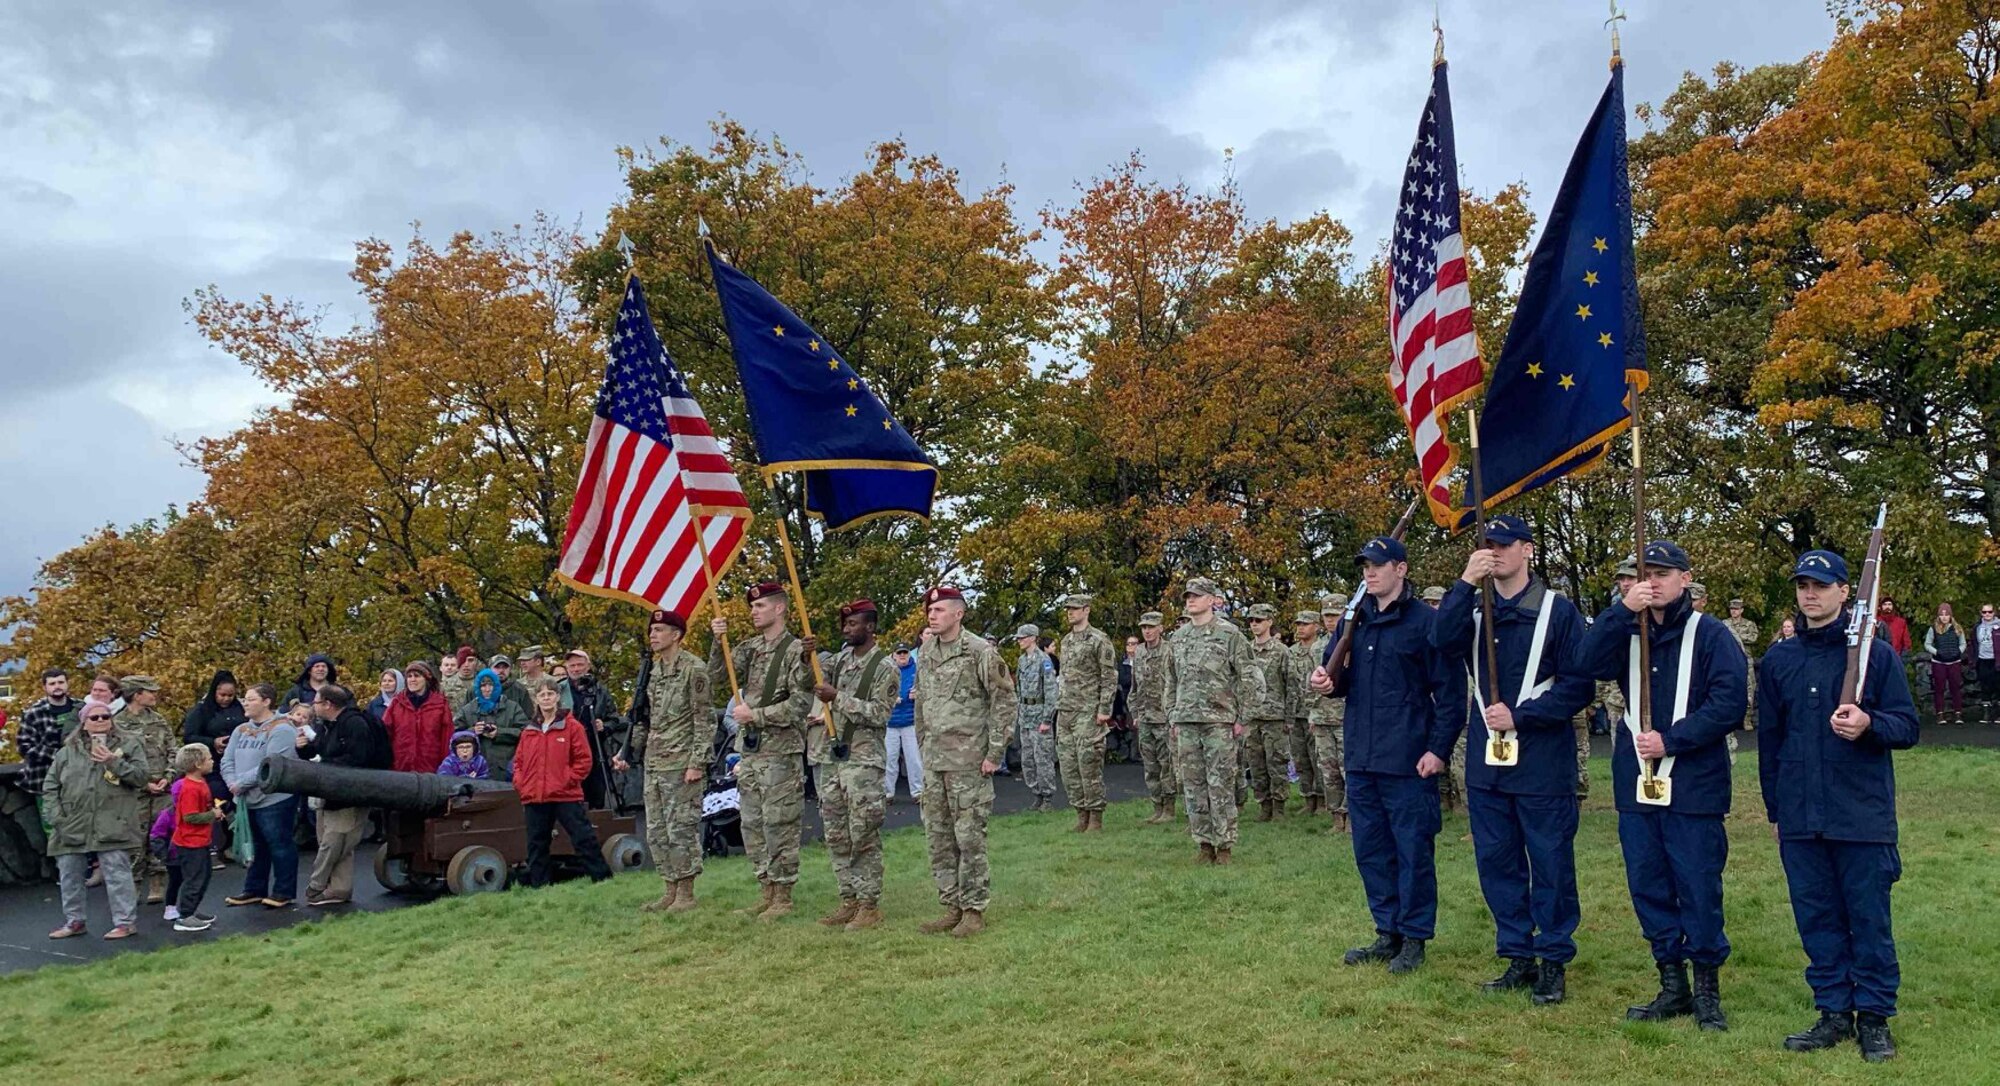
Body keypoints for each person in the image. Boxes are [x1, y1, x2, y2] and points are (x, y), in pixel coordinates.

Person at [1575, 540, 1749, 1032]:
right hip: (1638, 784)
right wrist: (1618, 614)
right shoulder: (1627, 631)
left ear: (1686, 580)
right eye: (1643, 574)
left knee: (1697, 886)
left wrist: (1672, 741)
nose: (1652, 583)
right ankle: (1672, 983)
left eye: (1663, 574)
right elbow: (1584, 664)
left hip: (1694, 784)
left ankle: (1708, 990)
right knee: (1648, 884)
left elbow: (1729, 705)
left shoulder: (1713, 635)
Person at [1759, 549, 1918, 1063]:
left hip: (1861, 815)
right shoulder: (1780, 658)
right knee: (1817, 918)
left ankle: (1873, 1018)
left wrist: (1869, 724)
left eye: (1821, 585)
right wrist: (1776, 812)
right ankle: (1832, 1011)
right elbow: (1770, 742)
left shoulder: (1875, 655)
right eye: (1803, 585)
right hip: (1801, 814)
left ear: (1845, 591)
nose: (1810, 594)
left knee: (1868, 919)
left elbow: (1907, 726)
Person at [1431, 515, 1595, 1004]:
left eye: (1503, 545)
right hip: (1488, 764)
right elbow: (1439, 642)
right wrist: (1464, 583)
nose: (1494, 553)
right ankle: (1517, 955)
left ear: (1527, 549)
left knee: (1550, 863)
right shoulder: (1473, 607)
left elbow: (1578, 686)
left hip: (1542, 761)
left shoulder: (1558, 611)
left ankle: (1553, 959)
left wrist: (1523, 716)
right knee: (1497, 863)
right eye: (1487, 546)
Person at [1311, 538, 1466, 975]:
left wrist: (1438, 749)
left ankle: (1415, 937)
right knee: (1372, 851)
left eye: (1378, 566)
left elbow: (1451, 694)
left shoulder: (1425, 623)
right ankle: (1387, 932)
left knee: (1413, 851)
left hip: (1409, 758)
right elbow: (1337, 679)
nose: (1370, 573)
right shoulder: (1354, 622)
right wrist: (1326, 680)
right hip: (1361, 757)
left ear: (1401, 568)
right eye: (1365, 567)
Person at [910, 585, 1013, 937]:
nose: (932, 615)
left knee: (969, 837)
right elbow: (922, 702)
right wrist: (923, 744)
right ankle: (951, 905)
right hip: (935, 760)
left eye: (939, 610)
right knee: (938, 836)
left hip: (969, 761)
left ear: (958, 613)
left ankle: (973, 909)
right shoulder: (926, 652)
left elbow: (1004, 701)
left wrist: (995, 753)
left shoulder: (979, 651)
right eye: (930, 611)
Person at [710, 581, 813, 920]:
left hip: (780, 753)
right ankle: (765, 890)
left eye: (760, 606)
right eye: (752, 606)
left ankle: (783, 895)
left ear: (780, 608)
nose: (753, 611)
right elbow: (715, 677)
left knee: (779, 823)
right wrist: (717, 640)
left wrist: (756, 715)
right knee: (752, 823)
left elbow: (800, 704)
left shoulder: (797, 650)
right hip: (751, 753)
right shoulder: (751, 647)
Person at [806, 600, 898, 931]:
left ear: (870, 627)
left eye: (853, 624)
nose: (847, 629)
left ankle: (869, 904)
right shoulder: (842, 660)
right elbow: (813, 681)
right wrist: (808, 658)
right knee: (836, 833)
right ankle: (849, 898)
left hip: (863, 760)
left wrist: (837, 699)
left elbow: (879, 714)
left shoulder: (885, 667)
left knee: (863, 832)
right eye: (845, 624)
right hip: (833, 758)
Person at [617, 610, 709, 912]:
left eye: (659, 629)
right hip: (655, 762)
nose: (653, 635)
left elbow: (705, 720)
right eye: (651, 630)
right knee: (656, 830)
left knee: (680, 828)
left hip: (682, 763)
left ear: (676, 635)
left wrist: (698, 762)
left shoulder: (693, 669)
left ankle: (686, 892)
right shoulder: (652, 672)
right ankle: (669, 887)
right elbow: (645, 719)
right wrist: (628, 752)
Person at [1166, 577, 1259, 865]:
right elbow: (1170, 679)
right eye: (1187, 596)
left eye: (1197, 595)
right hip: (1186, 721)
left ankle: (1225, 845)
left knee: (1220, 785)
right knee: (1193, 786)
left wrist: (1243, 717)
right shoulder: (1178, 638)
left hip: (1219, 721)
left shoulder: (1230, 635)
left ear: (1212, 600)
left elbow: (1250, 678)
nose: (1190, 600)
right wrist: (1172, 714)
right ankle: (1204, 844)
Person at [43, 702, 148, 940]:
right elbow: (50, 786)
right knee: (69, 874)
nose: (100, 721)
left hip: (113, 820)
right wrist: (57, 818)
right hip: (72, 822)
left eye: (105, 716)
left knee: (117, 872)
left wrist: (113, 761)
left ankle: (125, 923)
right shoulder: (67, 751)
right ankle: (74, 921)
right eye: (94, 717)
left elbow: (141, 777)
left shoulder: (129, 744)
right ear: (83, 723)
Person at [514, 677, 611, 889]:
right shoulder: (529, 730)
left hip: (565, 794)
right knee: (536, 844)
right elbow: (519, 762)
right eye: (542, 695)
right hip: (534, 795)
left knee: (583, 837)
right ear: (536, 699)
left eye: (550, 694)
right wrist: (522, 783)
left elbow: (584, 760)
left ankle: (602, 879)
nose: (546, 698)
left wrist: (567, 780)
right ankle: (540, 886)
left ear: (558, 697)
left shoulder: (572, 726)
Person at [220, 683, 301, 909]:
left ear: (266, 701)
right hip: (246, 798)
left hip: (274, 798)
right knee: (256, 846)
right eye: (245, 699)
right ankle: (254, 889)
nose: (245, 703)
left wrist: (241, 784)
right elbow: (227, 760)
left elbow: (271, 765)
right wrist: (231, 783)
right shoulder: (241, 730)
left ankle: (284, 891)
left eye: (251, 699)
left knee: (279, 843)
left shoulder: (282, 729)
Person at [298, 684, 375, 907]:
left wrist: (325, 763)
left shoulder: (354, 724)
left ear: (328, 704)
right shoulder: (328, 725)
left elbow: (359, 759)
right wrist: (305, 749)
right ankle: (339, 889)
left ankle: (316, 886)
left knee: (334, 843)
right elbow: (320, 750)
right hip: (329, 792)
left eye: (316, 702)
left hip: (348, 794)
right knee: (332, 842)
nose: (314, 706)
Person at [1054, 593, 1116, 832]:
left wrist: (1104, 709)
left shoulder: (1099, 639)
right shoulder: (1067, 640)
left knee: (1088, 763)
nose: (1070, 612)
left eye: (1075, 608)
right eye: (1068, 608)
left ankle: (1095, 816)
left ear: (1087, 610)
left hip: (1088, 711)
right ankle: (1080, 813)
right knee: (1069, 765)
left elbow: (1109, 676)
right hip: (1067, 710)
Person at [113, 676, 178, 905]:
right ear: (137, 694)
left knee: (160, 835)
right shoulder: (117, 723)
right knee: (135, 839)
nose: (154, 695)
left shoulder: (158, 720)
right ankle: (133, 885)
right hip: (134, 792)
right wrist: (142, 783)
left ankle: (158, 881)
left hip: (162, 789)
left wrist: (168, 776)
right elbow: (115, 760)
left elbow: (173, 750)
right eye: (149, 691)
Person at [180, 669, 245, 864]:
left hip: (237, 762)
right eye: (222, 695)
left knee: (238, 799)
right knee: (219, 798)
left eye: (230, 695)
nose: (226, 699)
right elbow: (188, 737)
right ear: (214, 692)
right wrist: (213, 741)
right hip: (212, 765)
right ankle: (218, 844)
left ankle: (234, 843)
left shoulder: (240, 709)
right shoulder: (201, 711)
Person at [1244, 604, 1294, 822]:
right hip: (1253, 717)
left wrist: (1289, 718)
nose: (1255, 624)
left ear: (1269, 622)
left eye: (1259, 620)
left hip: (1275, 717)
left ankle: (1279, 808)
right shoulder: (1245, 650)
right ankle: (1264, 805)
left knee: (1277, 763)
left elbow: (1291, 686)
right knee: (1256, 765)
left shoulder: (1281, 651)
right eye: (1252, 621)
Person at [17, 668, 82, 834]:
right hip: (44, 778)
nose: (57, 686)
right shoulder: (33, 712)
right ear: (45, 687)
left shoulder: (81, 709)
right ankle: (57, 859)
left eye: (61, 682)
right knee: (52, 827)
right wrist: (57, 755)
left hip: (79, 777)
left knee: (81, 822)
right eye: (52, 683)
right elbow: (24, 746)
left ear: (67, 684)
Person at [168, 744, 224, 931]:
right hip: (190, 841)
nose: (212, 760)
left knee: (204, 875)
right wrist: (212, 815)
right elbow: (190, 817)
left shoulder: (200, 783)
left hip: (200, 840)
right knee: (194, 878)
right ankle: (184, 916)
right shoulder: (190, 788)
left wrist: (212, 812)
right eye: (209, 758)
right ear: (199, 764)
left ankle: (191, 911)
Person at [1131, 612, 1178, 824]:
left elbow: (1176, 683)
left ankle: (1169, 807)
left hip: (1165, 718)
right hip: (1145, 718)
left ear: (1161, 627)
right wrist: (1135, 713)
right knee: (1150, 766)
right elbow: (1134, 686)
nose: (1147, 631)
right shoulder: (1139, 652)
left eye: (1151, 627)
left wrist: (1174, 715)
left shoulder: (1170, 650)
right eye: (1144, 627)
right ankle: (1156, 806)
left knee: (1167, 764)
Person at [1309, 595, 1350, 832]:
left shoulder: (1351, 641)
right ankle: (1336, 817)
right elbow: (1311, 683)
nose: (1330, 621)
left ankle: (1353, 816)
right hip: (1322, 717)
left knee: (1349, 769)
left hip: (1344, 715)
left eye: (1335, 615)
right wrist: (1312, 715)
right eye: (1326, 616)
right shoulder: (1317, 647)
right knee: (1328, 769)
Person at [564, 649, 624, 810]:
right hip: (566, 752)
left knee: (596, 796)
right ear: (566, 667)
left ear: (588, 666)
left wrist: (604, 726)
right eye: (572, 665)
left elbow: (615, 718)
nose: (576, 669)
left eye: (580, 665)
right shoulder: (559, 689)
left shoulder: (600, 690)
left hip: (595, 750)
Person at [1012, 624, 1058, 813]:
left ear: (1032, 638)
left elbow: (1051, 691)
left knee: (1043, 759)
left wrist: (1047, 719)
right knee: (1028, 759)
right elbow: (1019, 688)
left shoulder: (1044, 660)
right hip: (1025, 714)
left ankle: (1047, 797)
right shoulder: (1022, 660)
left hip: (1039, 714)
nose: (1019, 641)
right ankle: (1036, 794)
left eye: (1022, 638)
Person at [455, 668, 527, 781]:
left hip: (506, 768)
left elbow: (525, 732)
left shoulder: (512, 708)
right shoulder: (467, 710)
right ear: (478, 688)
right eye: (483, 686)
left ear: (497, 686)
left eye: (491, 685)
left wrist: (499, 733)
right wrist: (473, 731)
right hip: (474, 769)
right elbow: (455, 735)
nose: (487, 689)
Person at [383, 661, 452, 775]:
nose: (412, 679)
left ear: (426, 679)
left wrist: (445, 767)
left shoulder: (440, 704)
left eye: (417, 676)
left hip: (431, 769)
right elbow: (385, 734)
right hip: (400, 768)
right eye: (409, 676)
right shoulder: (397, 703)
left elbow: (446, 738)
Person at [1287, 610, 1324, 815]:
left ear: (1316, 627)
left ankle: (1323, 800)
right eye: (1299, 624)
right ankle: (1308, 797)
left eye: (1306, 624)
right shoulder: (1291, 652)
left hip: (1316, 711)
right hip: (1296, 713)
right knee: (1301, 759)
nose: (1301, 628)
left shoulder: (1321, 650)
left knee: (1317, 757)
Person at [885, 645, 922, 802]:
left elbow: (927, 689)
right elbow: (877, 691)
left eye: (905, 652)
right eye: (899, 653)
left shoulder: (917, 669)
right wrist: (890, 699)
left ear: (909, 654)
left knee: (914, 759)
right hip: (890, 721)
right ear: (893, 655)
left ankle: (918, 792)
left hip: (910, 720)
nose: (902, 655)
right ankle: (887, 793)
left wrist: (918, 694)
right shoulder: (886, 669)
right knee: (889, 759)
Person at [1922, 603, 1967, 724]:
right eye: (1942, 615)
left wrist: (1958, 652)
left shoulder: (1957, 628)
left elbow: (1963, 643)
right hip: (1939, 662)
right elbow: (1927, 644)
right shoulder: (1933, 628)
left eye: (1946, 614)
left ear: (1950, 615)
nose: (1944, 617)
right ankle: (1940, 714)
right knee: (1939, 688)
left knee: (1955, 688)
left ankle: (1958, 713)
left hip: (1954, 662)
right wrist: (1936, 652)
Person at [517, 646, 574, 712]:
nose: (522, 663)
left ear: (538, 662)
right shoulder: (518, 684)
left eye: (526, 660)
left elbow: (563, 705)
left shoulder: (554, 682)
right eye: (521, 661)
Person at [1975, 603, 2000, 725]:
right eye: (1984, 612)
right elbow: (1974, 643)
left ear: (1994, 612)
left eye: (1989, 612)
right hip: (1983, 660)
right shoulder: (1978, 627)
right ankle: (1986, 713)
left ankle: (1998, 714)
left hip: (1997, 660)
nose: (1987, 614)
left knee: (1998, 686)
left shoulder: (1999, 625)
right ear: (1981, 613)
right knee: (1985, 686)